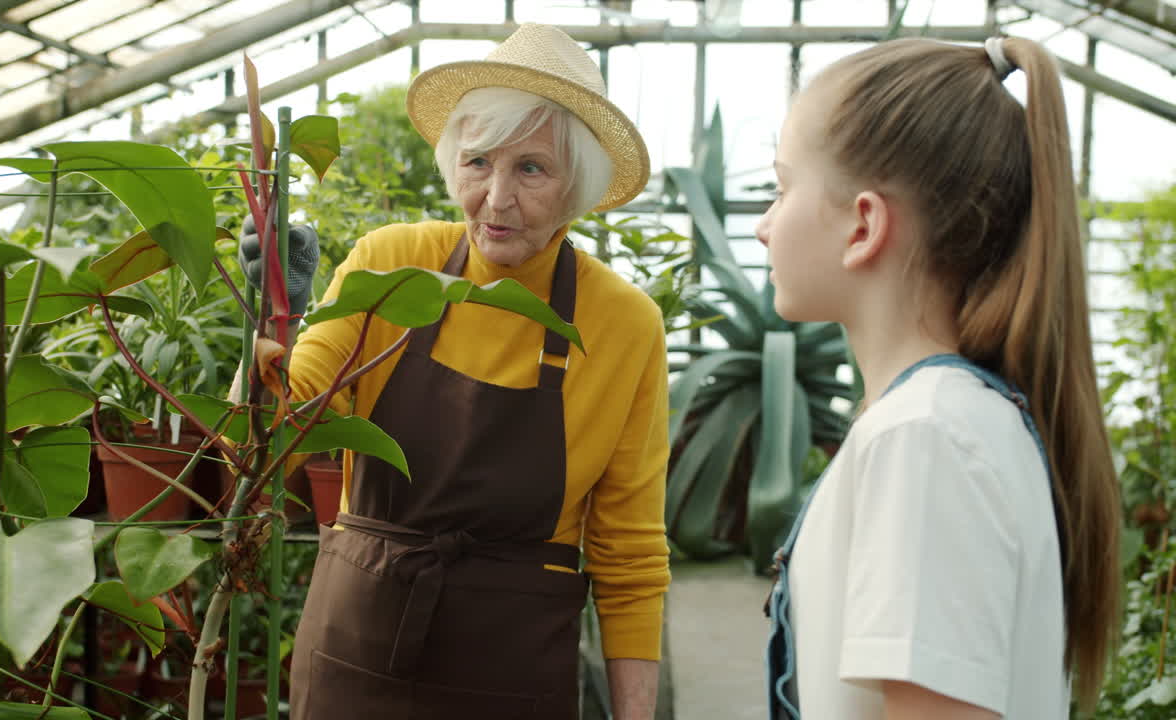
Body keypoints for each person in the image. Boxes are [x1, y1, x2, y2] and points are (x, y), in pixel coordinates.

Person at [240, 23, 670, 720]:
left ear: (576, 186)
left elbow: (630, 560)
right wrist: (265, 324)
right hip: (356, 654)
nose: (496, 200)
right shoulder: (388, 265)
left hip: (511, 675)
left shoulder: (622, 323)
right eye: (478, 162)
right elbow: (276, 431)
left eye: (531, 168)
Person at [758, 36, 1121, 719]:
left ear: (863, 225)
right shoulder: (948, 422)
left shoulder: (926, 437)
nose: (763, 226)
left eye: (781, 189)